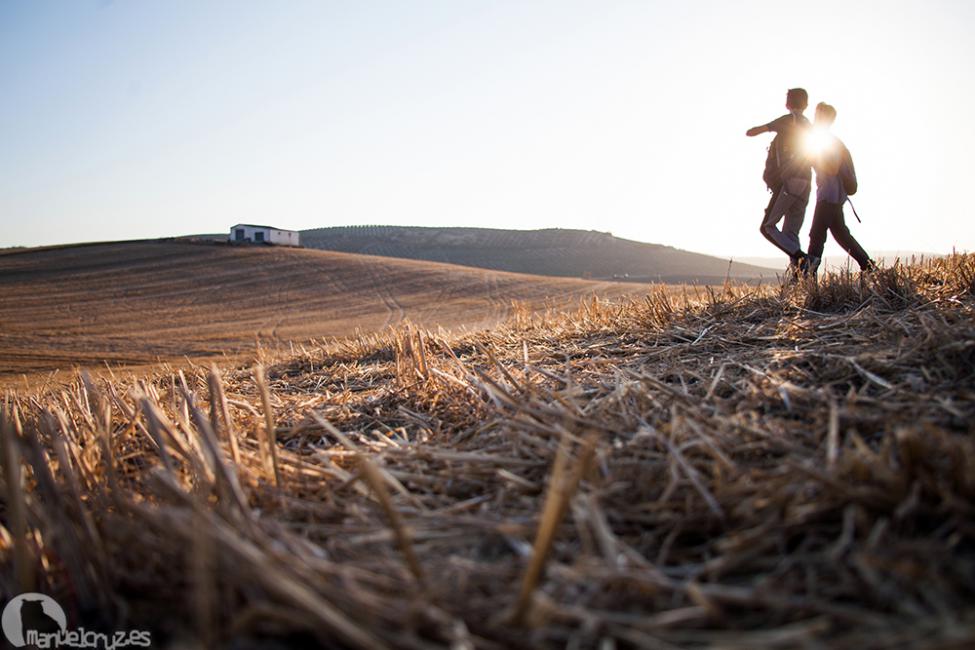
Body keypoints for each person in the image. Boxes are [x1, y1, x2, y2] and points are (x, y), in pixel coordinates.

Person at [746, 88, 813, 275]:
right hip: (806, 183)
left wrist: (756, 130)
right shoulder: (809, 125)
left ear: (787, 104)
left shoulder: (786, 121)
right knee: (791, 233)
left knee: (767, 227)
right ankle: (799, 278)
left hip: (789, 182)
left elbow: (754, 132)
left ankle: (802, 259)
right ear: (806, 104)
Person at [805, 102, 875, 277]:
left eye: (819, 115)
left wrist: (812, 158)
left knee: (816, 235)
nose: (816, 119)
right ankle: (870, 268)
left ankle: (807, 278)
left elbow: (832, 168)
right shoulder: (829, 141)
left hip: (829, 195)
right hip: (834, 196)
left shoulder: (828, 142)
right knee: (841, 235)